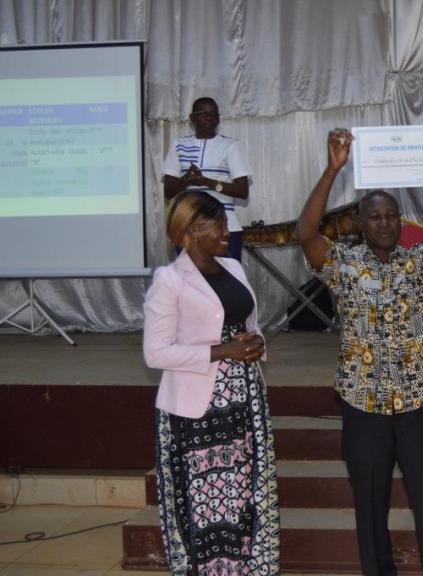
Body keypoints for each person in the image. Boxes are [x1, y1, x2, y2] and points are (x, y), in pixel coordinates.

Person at [296, 126, 423, 576]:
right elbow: (305, 232)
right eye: (375, 216)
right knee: (370, 506)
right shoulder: (343, 263)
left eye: (391, 216)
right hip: (363, 405)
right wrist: (332, 170)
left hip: (419, 403)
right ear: (361, 222)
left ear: (401, 221)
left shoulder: (419, 261)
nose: (384, 223)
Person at [143, 191, 280, 575]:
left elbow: (248, 326)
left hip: (246, 401)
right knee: (208, 505)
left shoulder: (233, 267)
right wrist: (222, 352)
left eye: (225, 223)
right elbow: (155, 353)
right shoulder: (169, 280)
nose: (226, 232)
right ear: (188, 232)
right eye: (217, 225)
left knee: (246, 497)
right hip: (198, 413)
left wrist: (257, 343)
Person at [164, 97, 251, 260]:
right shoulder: (178, 145)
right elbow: (168, 191)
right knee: (189, 276)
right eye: (204, 114)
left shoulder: (231, 146)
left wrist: (207, 182)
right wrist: (186, 180)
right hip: (188, 227)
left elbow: (242, 191)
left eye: (214, 114)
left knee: (227, 276)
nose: (211, 118)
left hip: (224, 227)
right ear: (192, 118)